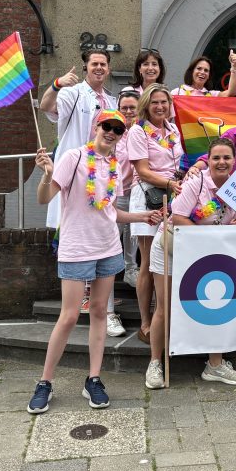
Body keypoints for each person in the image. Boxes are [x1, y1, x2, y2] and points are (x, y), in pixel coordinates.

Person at [28, 110, 160, 414]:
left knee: (100, 311)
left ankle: (94, 378)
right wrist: (46, 174)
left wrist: (142, 216)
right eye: (107, 126)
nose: (111, 132)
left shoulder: (115, 166)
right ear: (95, 127)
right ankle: (45, 382)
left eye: (118, 129)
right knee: (70, 316)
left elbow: (111, 212)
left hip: (108, 247)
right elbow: (44, 198)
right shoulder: (73, 156)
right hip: (76, 248)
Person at [146, 138, 236, 389]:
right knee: (164, 307)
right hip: (171, 247)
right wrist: (205, 240)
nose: (221, 162)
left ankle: (214, 365)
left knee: (217, 305)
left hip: (206, 253)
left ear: (234, 161)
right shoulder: (197, 182)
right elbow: (178, 216)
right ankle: (155, 364)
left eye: (226, 158)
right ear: (208, 161)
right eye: (216, 158)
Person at [125, 84, 184, 346]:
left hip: (171, 197)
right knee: (148, 261)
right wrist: (170, 184)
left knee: (166, 259)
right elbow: (143, 170)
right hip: (149, 197)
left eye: (164, 102)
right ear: (146, 106)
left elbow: (177, 164)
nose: (160, 107)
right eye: (155, 103)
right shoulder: (138, 131)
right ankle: (146, 322)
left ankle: (164, 317)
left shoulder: (172, 130)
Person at [39, 49, 118, 229]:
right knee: (69, 221)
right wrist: (57, 84)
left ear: (109, 69)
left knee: (97, 218)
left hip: (101, 168)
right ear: (86, 67)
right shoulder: (72, 93)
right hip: (76, 167)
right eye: (94, 64)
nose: (99, 68)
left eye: (103, 64)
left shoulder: (111, 101)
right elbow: (46, 106)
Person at [107, 88, 141, 338]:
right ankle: (108, 313)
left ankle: (131, 270)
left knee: (133, 237)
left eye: (133, 107)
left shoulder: (143, 133)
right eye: (125, 108)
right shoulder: (111, 132)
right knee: (109, 247)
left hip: (136, 193)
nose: (128, 112)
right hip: (113, 195)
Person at [171, 51, 236, 97]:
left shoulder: (211, 95)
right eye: (199, 68)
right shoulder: (177, 93)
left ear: (208, 76)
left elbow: (231, 92)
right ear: (192, 71)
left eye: (206, 70)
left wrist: (234, 66)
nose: (202, 72)